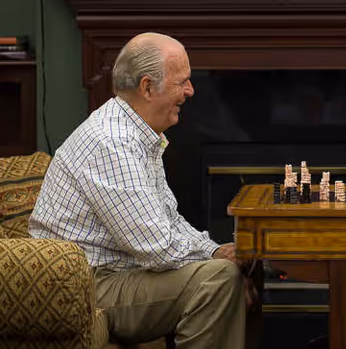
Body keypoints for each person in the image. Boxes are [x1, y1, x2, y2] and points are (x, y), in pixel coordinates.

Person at [29, 32, 249, 348]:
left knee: (234, 272)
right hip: (82, 286)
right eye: (182, 82)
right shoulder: (112, 142)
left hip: (114, 274)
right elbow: (156, 247)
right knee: (219, 279)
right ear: (148, 87)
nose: (190, 91)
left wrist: (214, 250)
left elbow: (168, 222)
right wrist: (218, 257)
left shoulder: (140, 136)